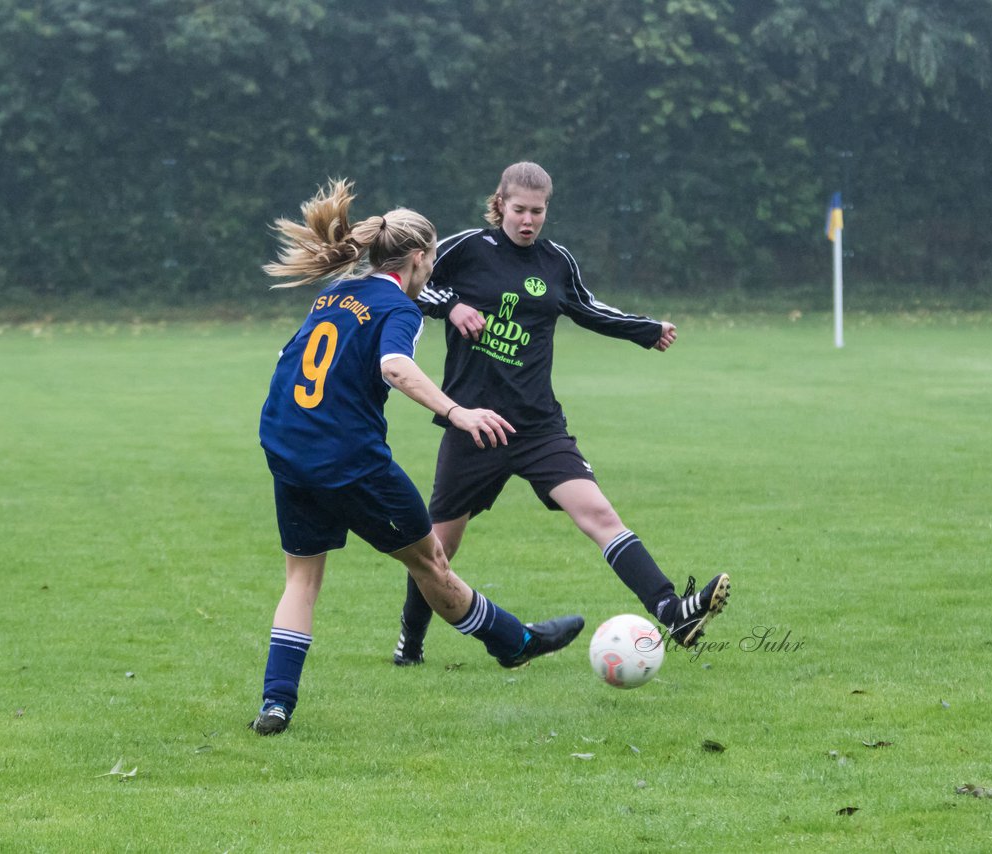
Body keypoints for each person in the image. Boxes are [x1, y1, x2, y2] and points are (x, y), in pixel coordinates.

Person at [251, 179, 585, 736]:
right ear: (417, 259)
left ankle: (276, 705)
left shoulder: (333, 294)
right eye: (432, 259)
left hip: (288, 448)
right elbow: (394, 368)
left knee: (302, 578)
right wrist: (459, 413)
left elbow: (288, 359)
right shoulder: (398, 308)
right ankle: (515, 642)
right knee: (429, 561)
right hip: (350, 461)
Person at [392, 161, 730, 667]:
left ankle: (672, 611)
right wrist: (453, 305)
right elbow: (410, 284)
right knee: (437, 550)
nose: (528, 220)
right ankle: (410, 644)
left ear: (547, 210)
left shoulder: (555, 261)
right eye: (519, 209)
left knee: (600, 516)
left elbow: (588, 308)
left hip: (537, 426)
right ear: (500, 203)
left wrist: (645, 329)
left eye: (538, 211)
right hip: (474, 426)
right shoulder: (467, 248)